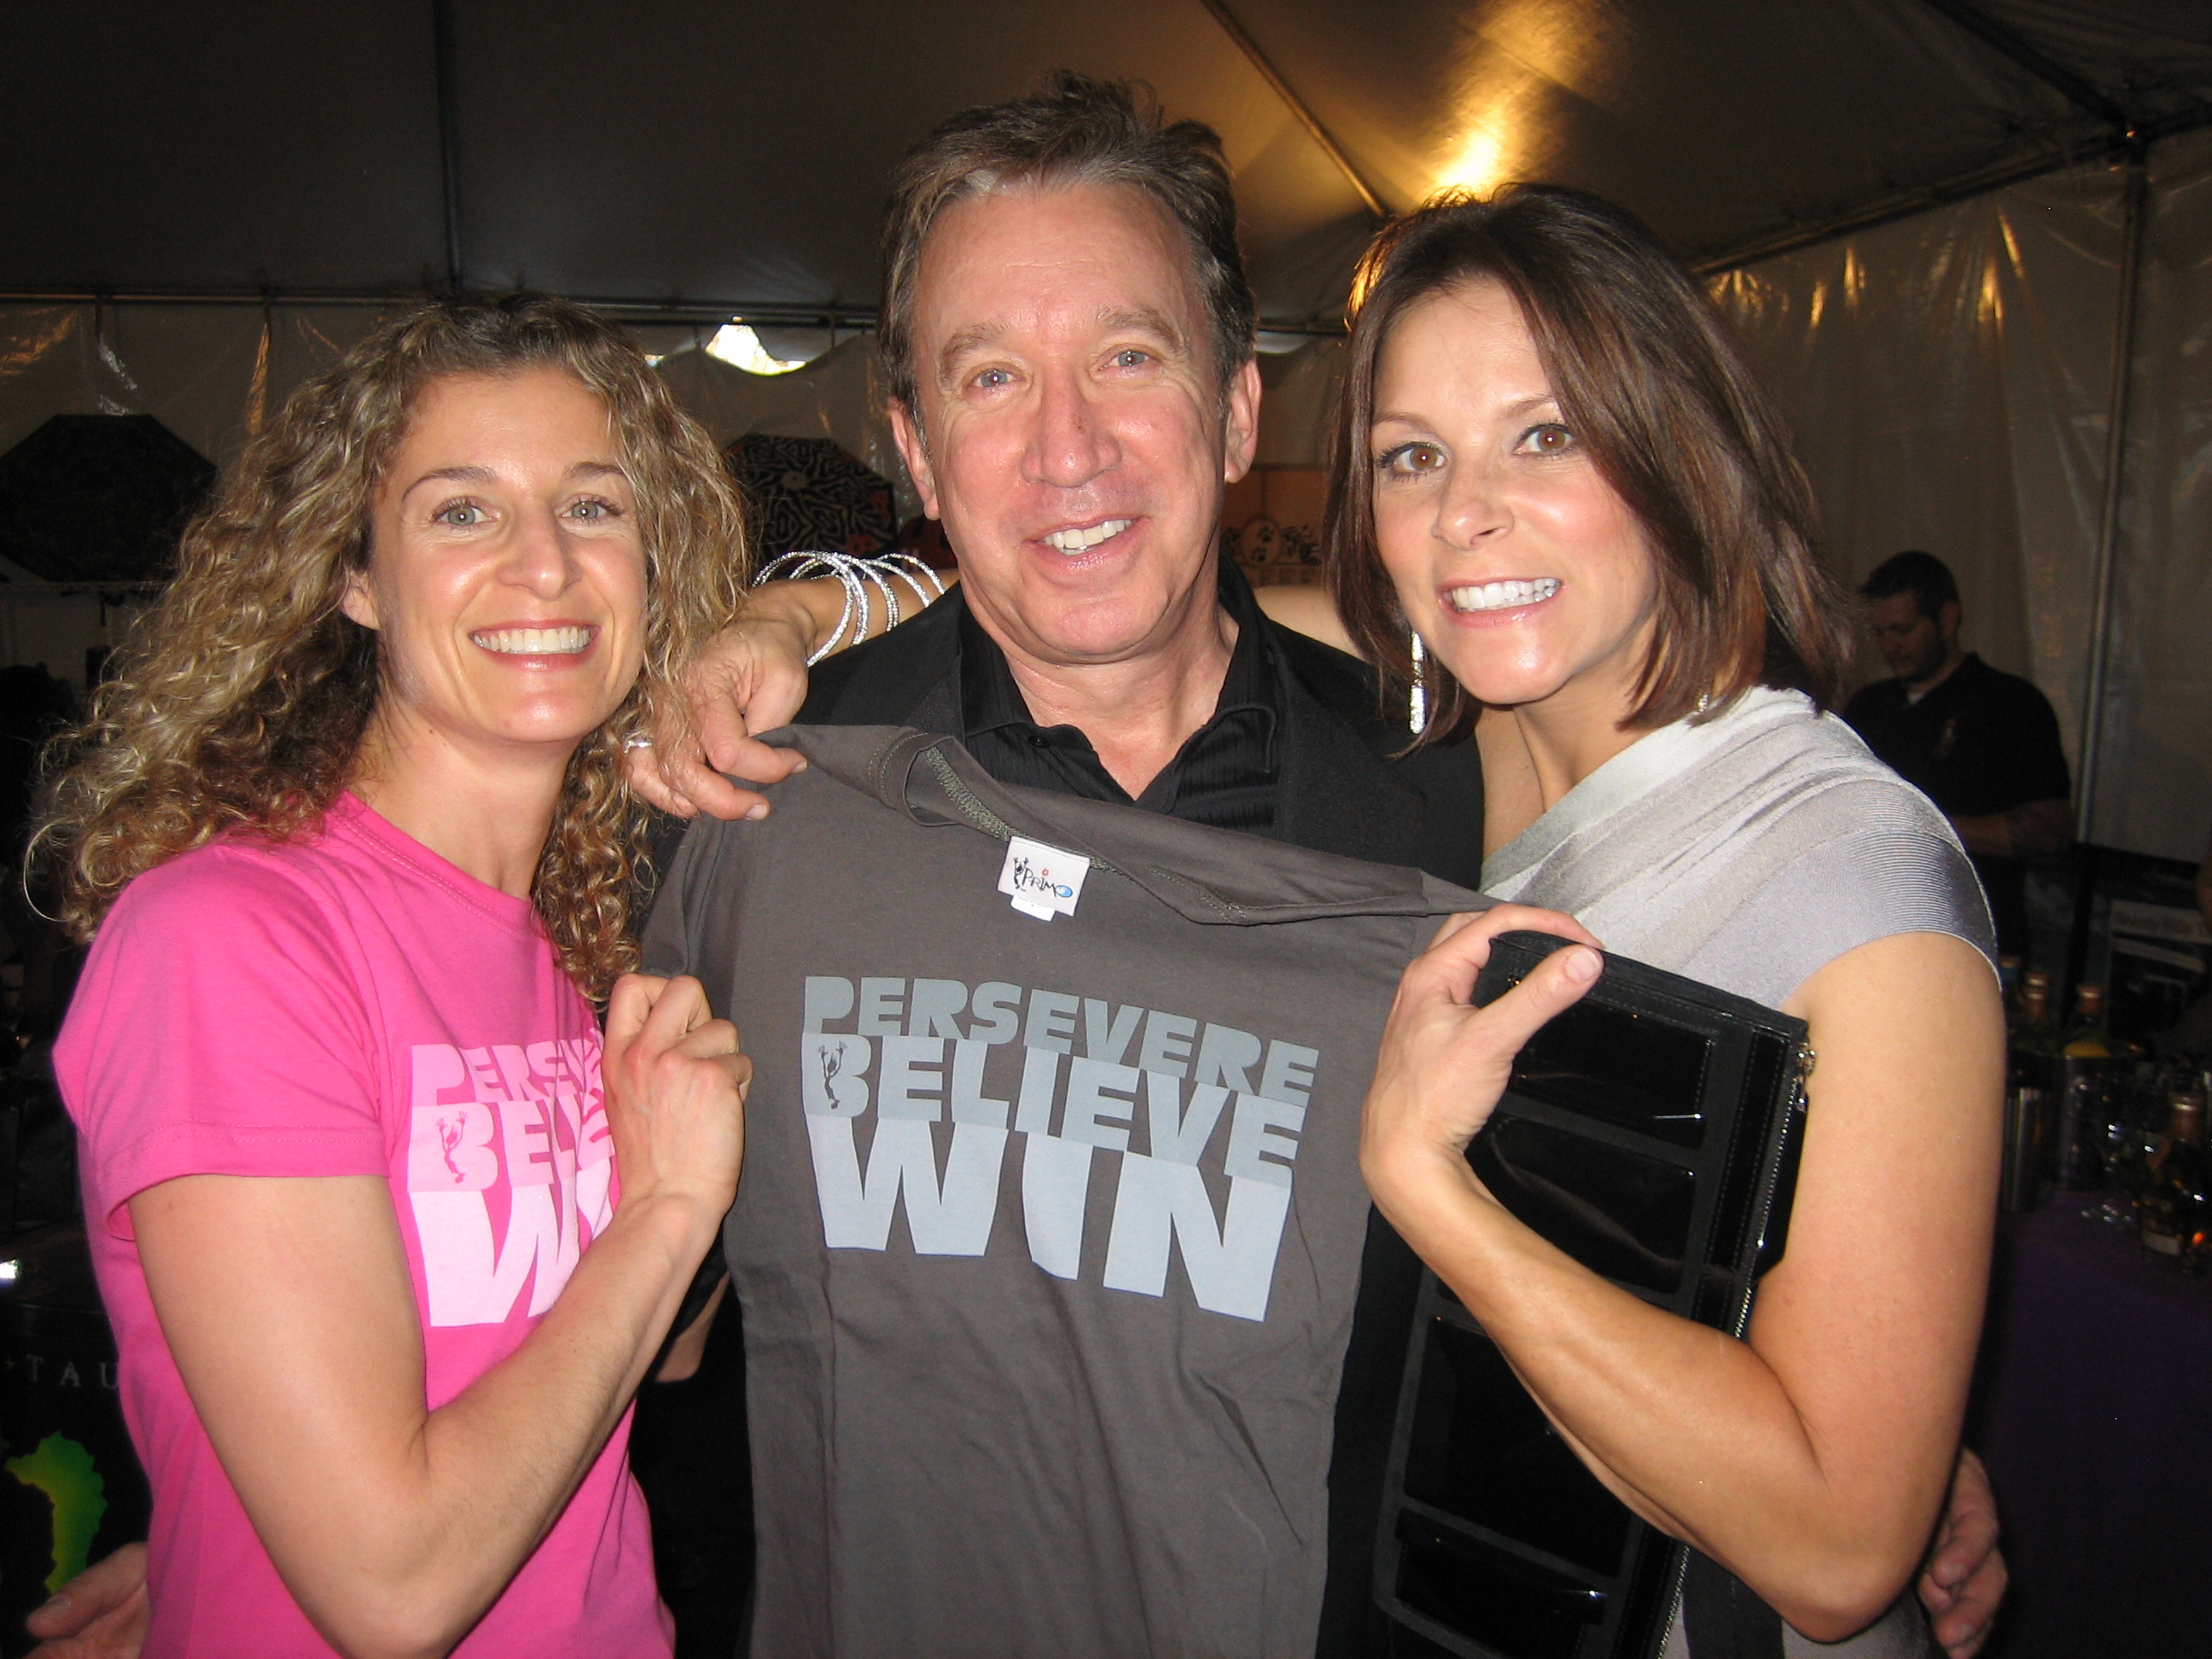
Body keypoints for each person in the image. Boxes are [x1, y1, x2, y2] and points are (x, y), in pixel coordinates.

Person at [623, 78, 2006, 1659]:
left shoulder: (1431, 797)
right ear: (914, 449)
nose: (1067, 445)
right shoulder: (774, 798)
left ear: (1236, 415)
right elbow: (661, 1331)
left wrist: (1873, 1415)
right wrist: (804, 607)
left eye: (1127, 357)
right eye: (990, 376)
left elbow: (1819, 1497)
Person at [1305, 189, 2004, 1656]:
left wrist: (1429, 1187)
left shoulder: (1857, 883)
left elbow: (1837, 1542)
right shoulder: (1474, 747)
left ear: (1680, 447)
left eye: (1546, 435)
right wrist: (827, 615)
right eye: (1411, 456)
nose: (1463, 513)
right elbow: (1115, 608)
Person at [37, 294, 750, 1658]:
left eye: (593, 506)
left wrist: (701, 1163)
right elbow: (393, 1585)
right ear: (355, 576)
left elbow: (659, 1353)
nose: (545, 564)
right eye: (462, 511)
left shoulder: (573, 946)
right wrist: (666, 1210)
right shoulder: (228, 940)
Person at [1844, 550, 2072, 955]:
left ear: (1947, 620)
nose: (1890, 646)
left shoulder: (2011, 704)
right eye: (1879, 634)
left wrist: (1919, 826)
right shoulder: (1869, 706)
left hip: (1975, 935)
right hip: (1876, 929)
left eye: (1903, 630)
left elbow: (2047, 831)